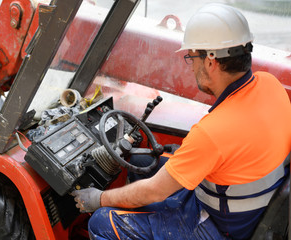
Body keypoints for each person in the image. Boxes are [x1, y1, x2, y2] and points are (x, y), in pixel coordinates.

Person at [72, 3, 291, 239]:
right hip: (244, 208)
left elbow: (153, 192)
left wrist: (98, 198)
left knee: (101, 222)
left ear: (210, 61)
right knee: (139, 159)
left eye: (191, 57)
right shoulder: (270, 85)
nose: (191, 66)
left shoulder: (212, 133)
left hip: (219, 227)